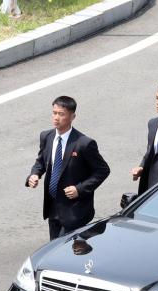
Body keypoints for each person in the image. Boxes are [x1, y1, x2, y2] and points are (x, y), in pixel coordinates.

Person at [26, 96, 111, 240]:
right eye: (54, 113)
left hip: (75, 210)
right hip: (53, 207)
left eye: (61, 114)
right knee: (54, 249)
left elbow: (103, 170)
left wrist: (80, 189)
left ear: (72, 116)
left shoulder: (84, 143)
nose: (56, 117)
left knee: (70, 250)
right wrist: (34, 174)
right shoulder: (47, 136)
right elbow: (41, 161)